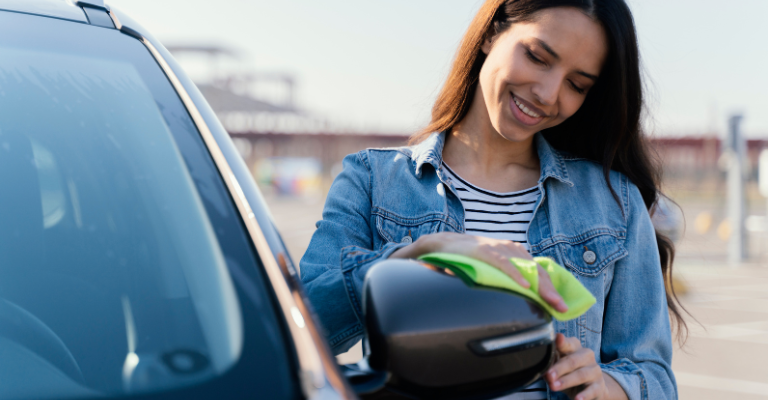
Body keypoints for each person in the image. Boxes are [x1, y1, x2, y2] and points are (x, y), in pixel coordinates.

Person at [300, 0, 684, 399]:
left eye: (577, 85)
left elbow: (653, 377)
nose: (548, 94)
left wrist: (609, 387)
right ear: (491, 33)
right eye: (537, 57)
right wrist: (412, 256)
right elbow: (302, 328)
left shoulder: (613, 202)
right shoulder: (372, 179)